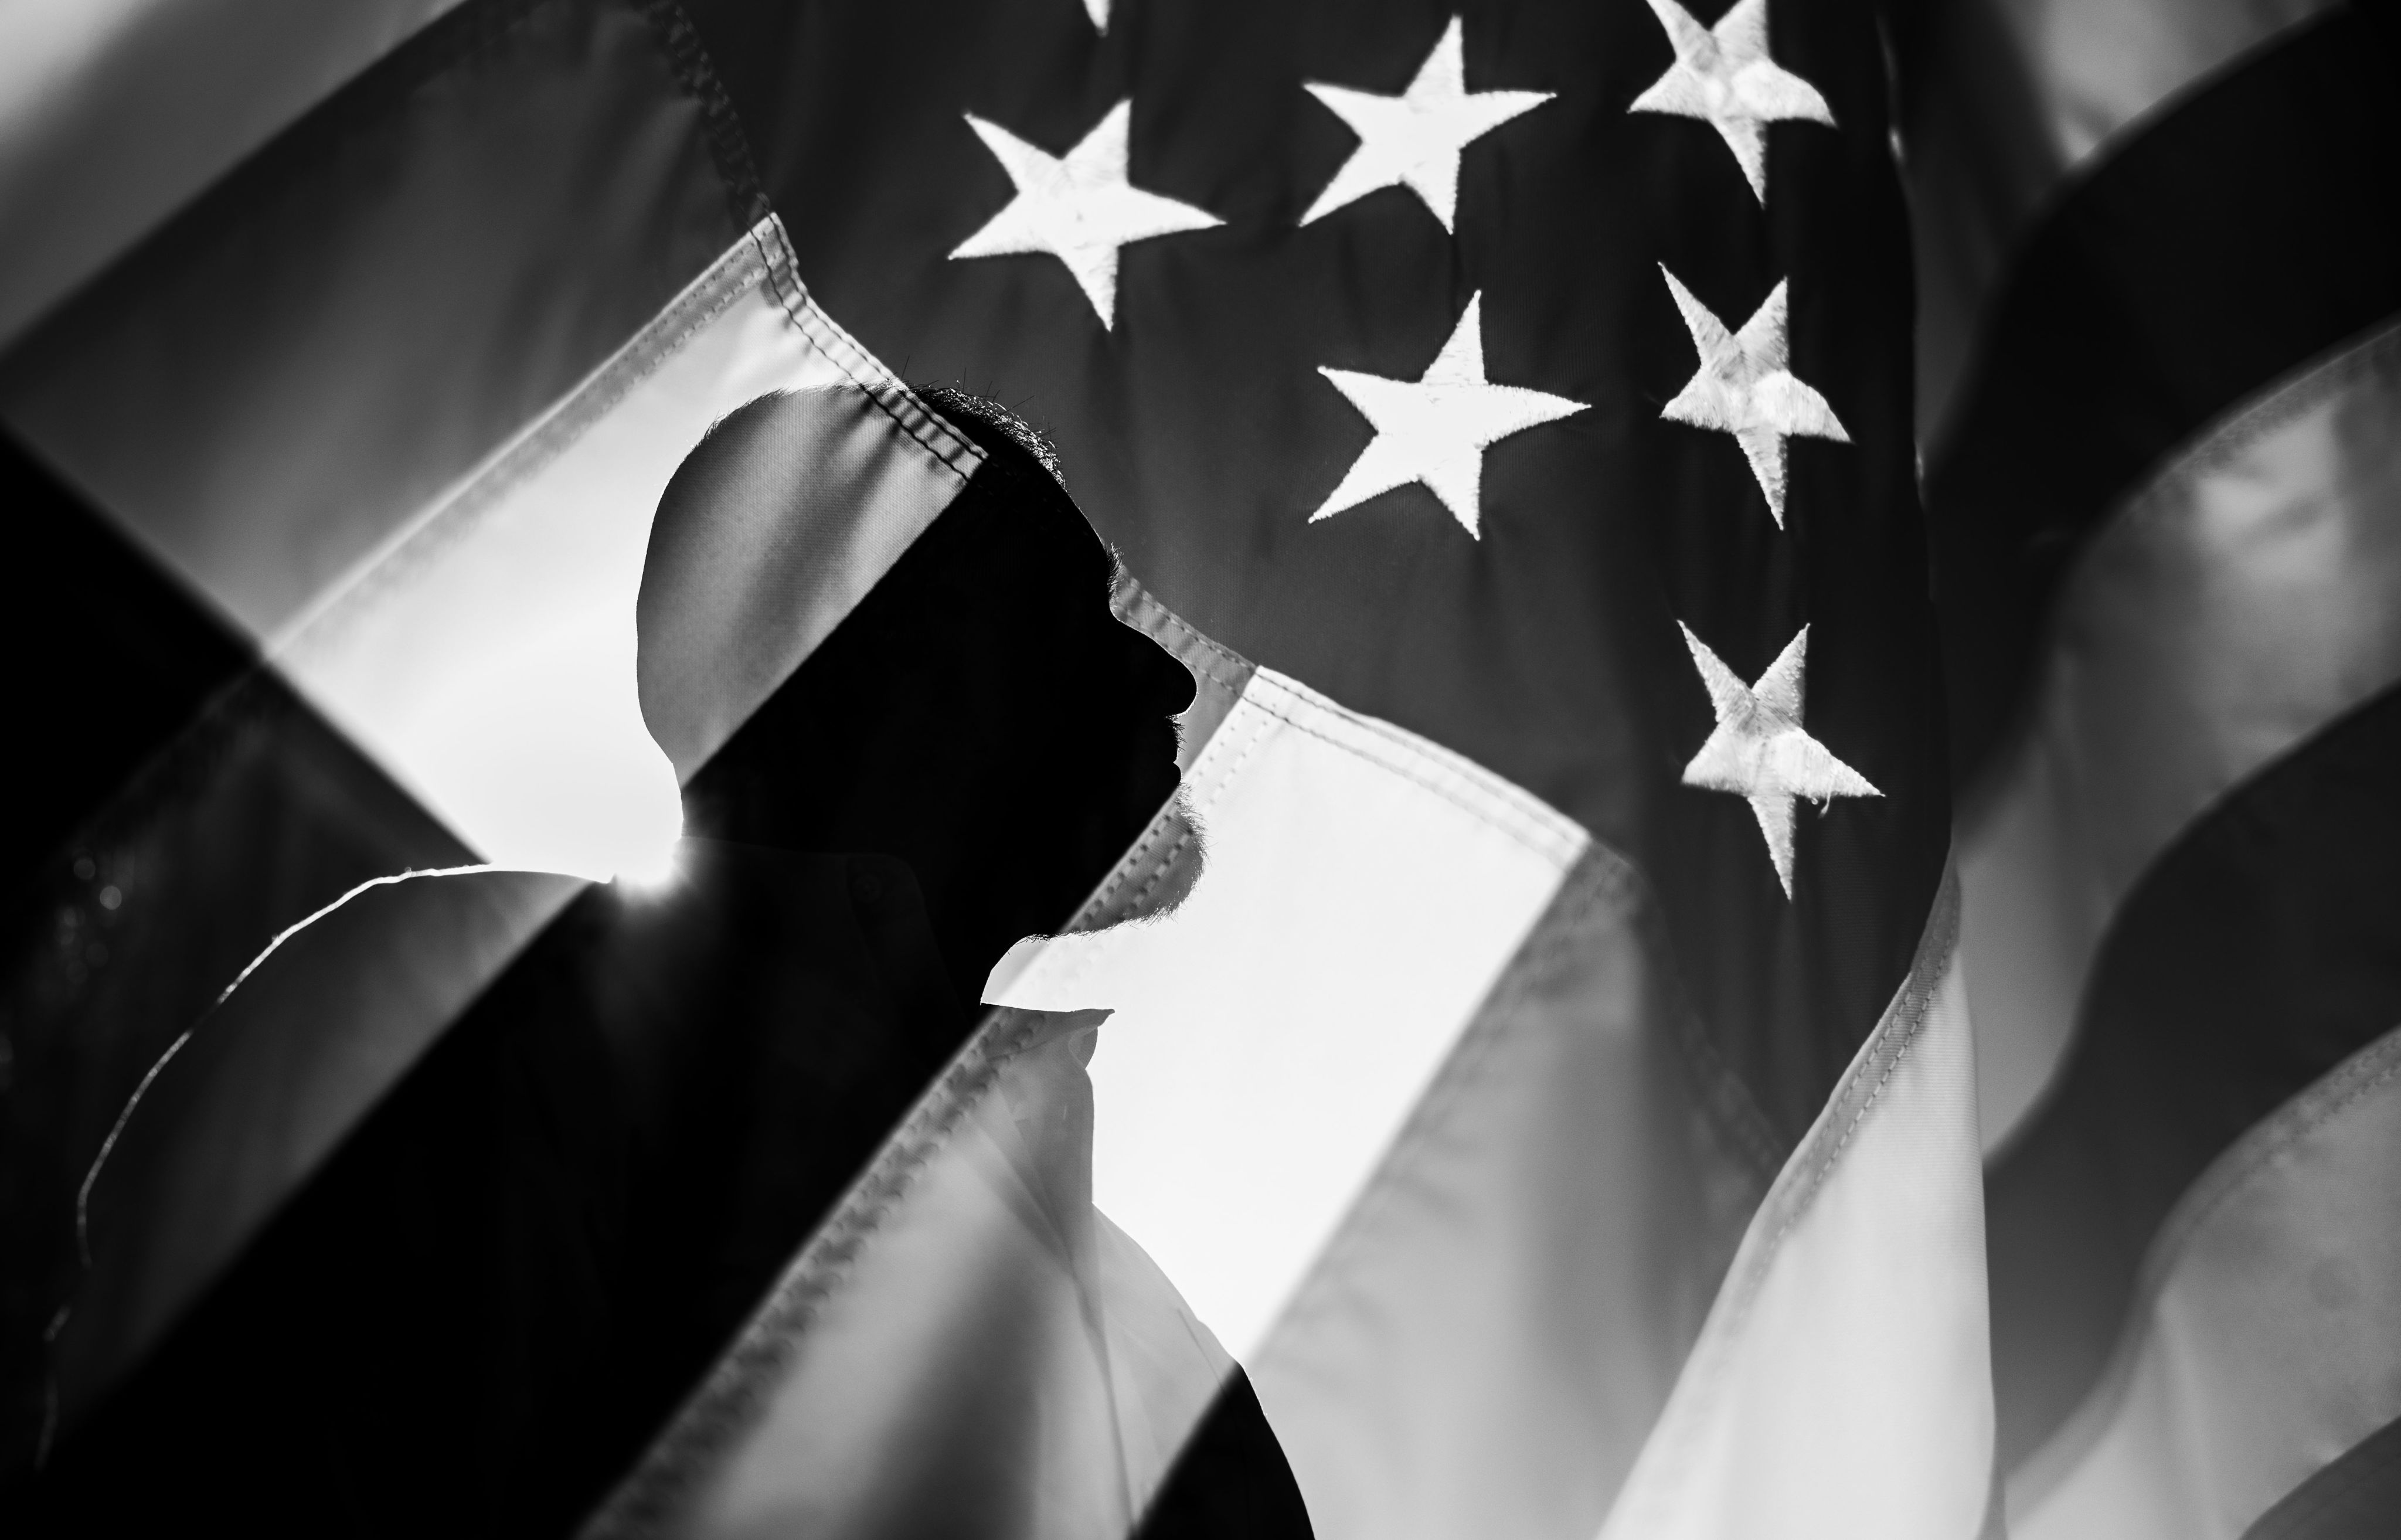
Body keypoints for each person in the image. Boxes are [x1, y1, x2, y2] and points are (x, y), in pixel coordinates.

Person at [15, 387, 1307, 1536]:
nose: (1162, 679)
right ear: (862, 662)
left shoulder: (1153, 1341)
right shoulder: (466, 1002)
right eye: (1057, 614)